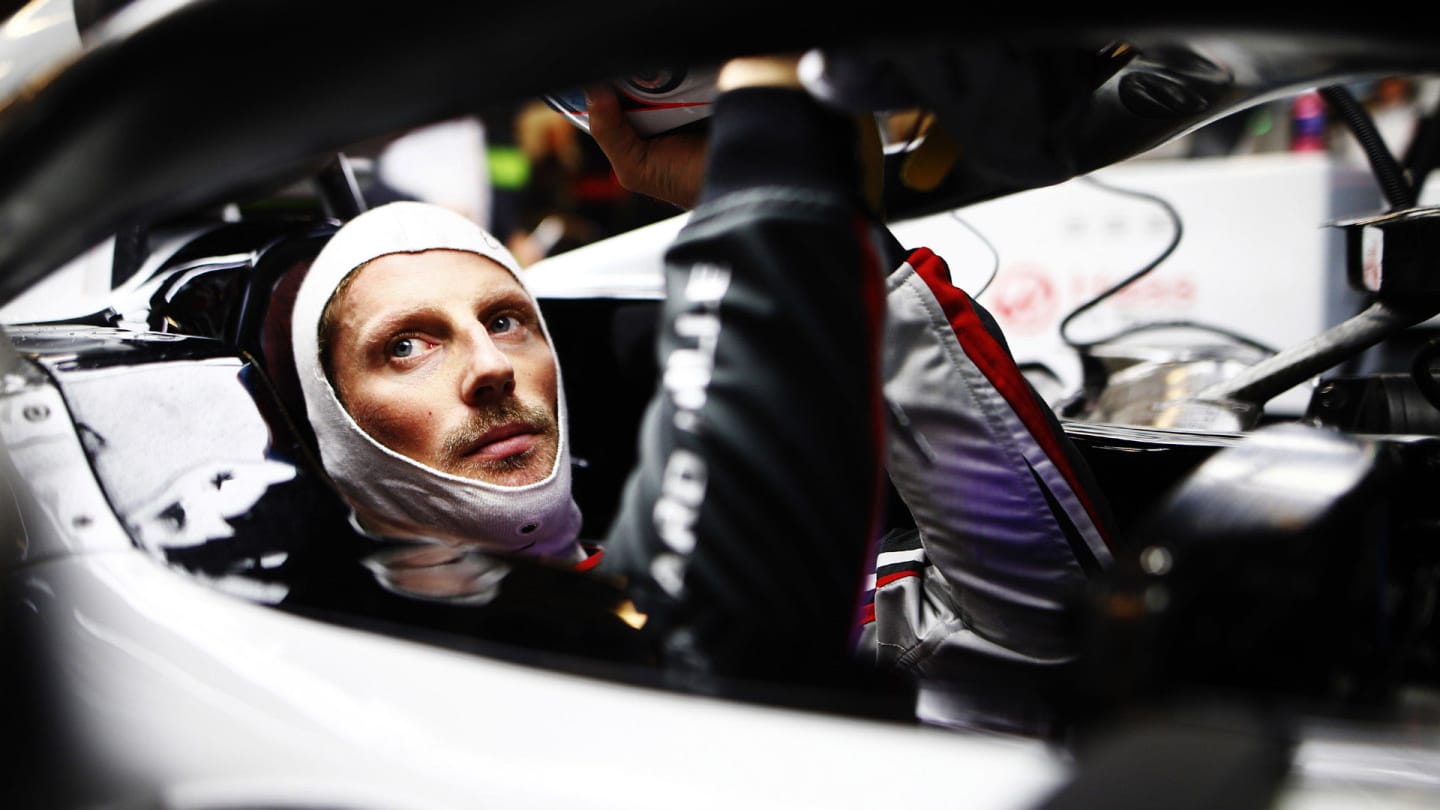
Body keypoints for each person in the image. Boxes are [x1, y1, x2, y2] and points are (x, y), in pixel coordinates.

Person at [290, 54, 1112, 733]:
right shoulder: (303, 698)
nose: (490, 367)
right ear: (332, 418)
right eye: (406, 345)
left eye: (506, 321)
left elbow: (1033, 633)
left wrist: (839, 240)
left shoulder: (797, 601)